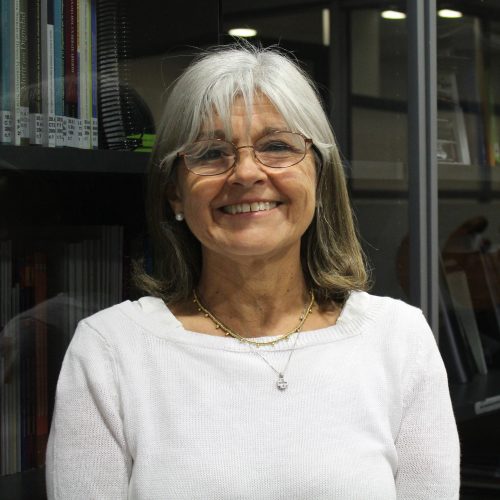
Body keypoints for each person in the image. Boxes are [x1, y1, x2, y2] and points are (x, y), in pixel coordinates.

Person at [45, 44, 460, 499]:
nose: (245, 172)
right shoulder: (109, 351)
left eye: (277, 146)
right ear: (175, 193)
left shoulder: (399, 339)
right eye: (210, 153)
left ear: (319, 178)